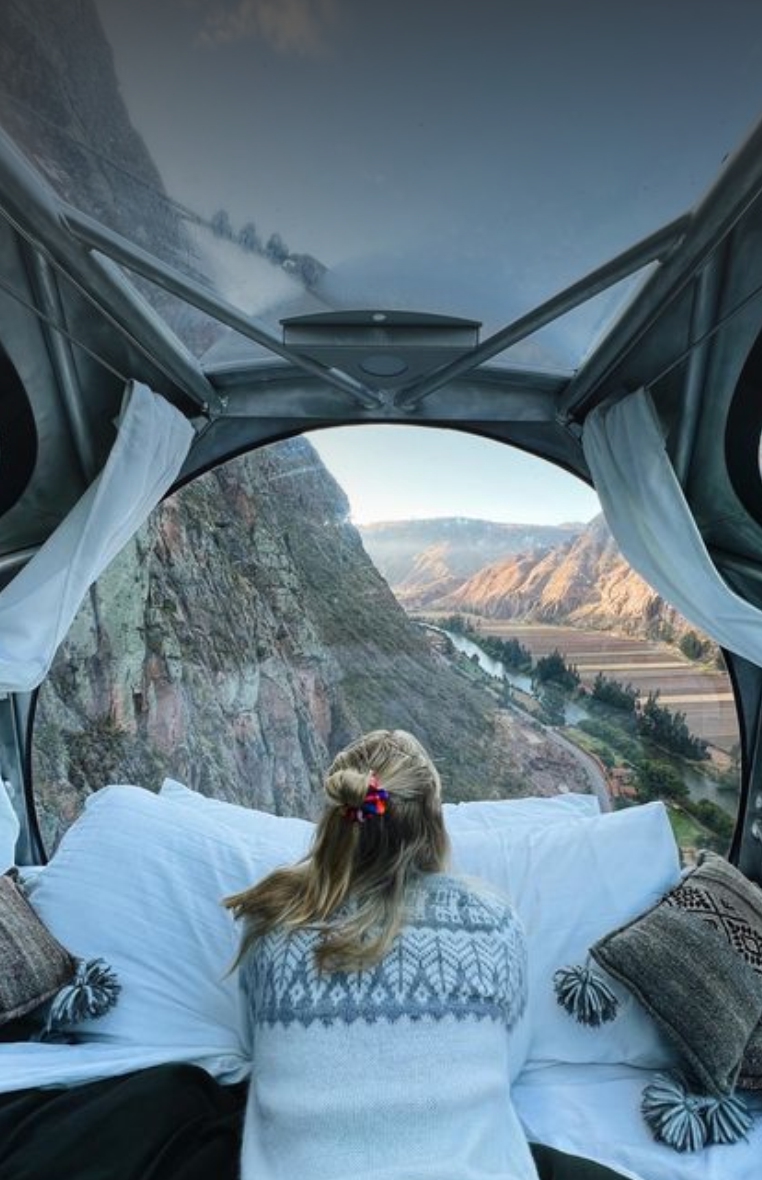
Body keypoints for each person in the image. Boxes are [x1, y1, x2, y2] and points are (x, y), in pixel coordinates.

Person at [225, 727, 538, 1180]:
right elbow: (511, 1060)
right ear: (433, 824)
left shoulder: (275, 922)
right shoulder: (493, 923)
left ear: (336, 816)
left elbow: (252, 1045)